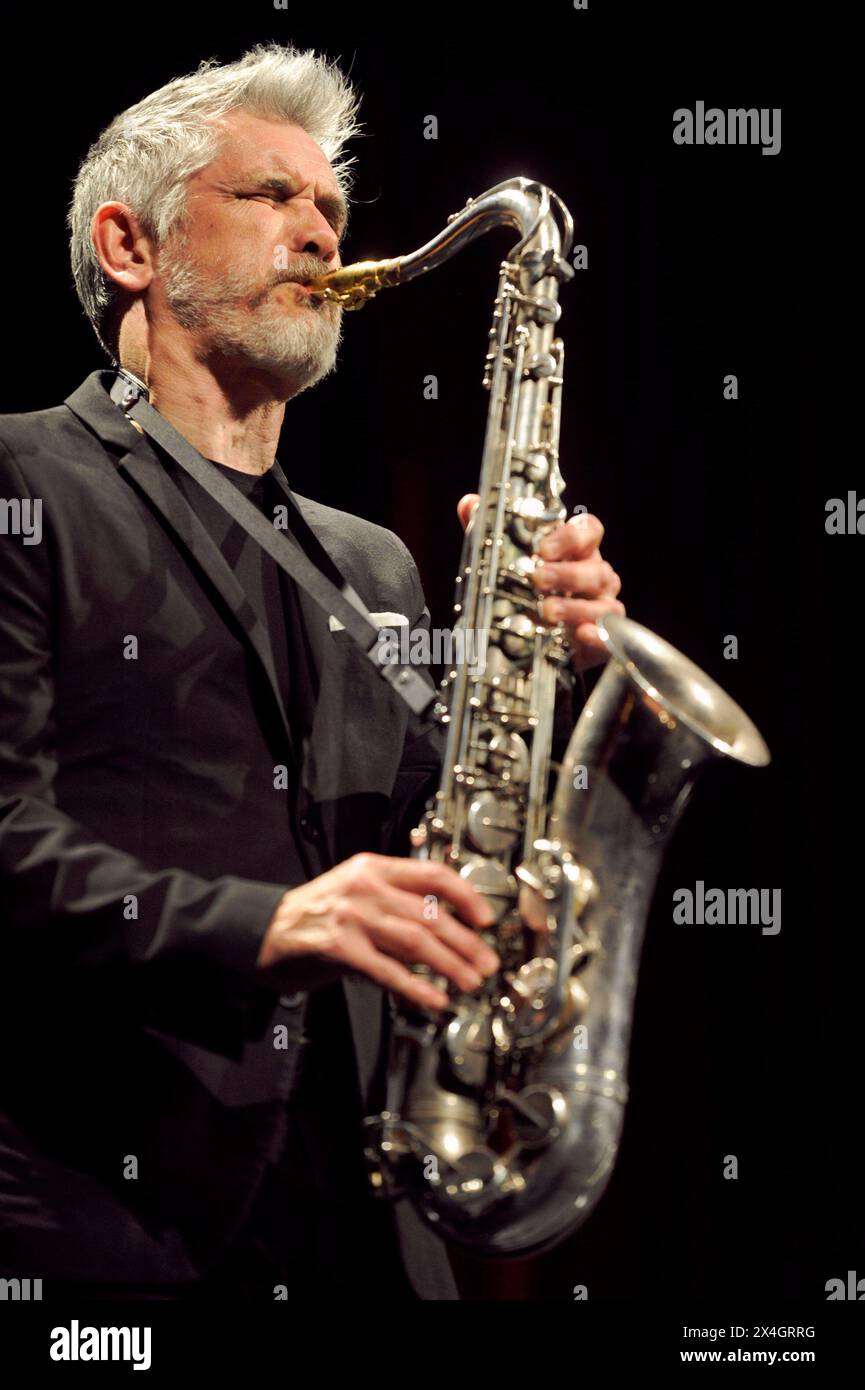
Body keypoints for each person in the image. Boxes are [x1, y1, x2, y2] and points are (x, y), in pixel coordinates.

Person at [0, 42, 625, 1301]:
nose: (319, 232)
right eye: (269, 197)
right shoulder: (20, 480)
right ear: (131, 248)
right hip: (104, 1213)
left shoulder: (374, 563)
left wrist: (563, 673)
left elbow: (459, 854)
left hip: (372, 1216)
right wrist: (270, 923)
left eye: (330, 207)